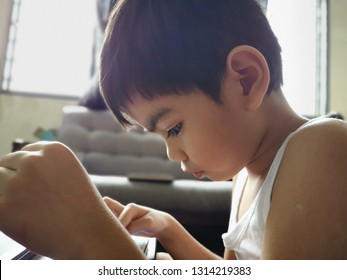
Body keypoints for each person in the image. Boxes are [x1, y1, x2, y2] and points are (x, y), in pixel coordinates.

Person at [0, 0, 346, 260]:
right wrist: (172, 232)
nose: (172, 154)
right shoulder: (245, 176)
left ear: (246, 79)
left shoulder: (321, 147)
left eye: (174, 127)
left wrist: (90, 239)